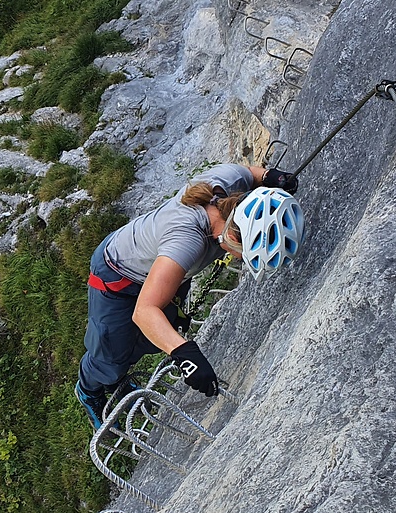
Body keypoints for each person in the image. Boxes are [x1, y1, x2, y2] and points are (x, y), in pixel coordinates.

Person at [75, 162, 303, 429]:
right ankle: (89, 389)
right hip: (116, 275)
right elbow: (145, 311)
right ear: (232, 235)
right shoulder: (187, 241)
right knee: (110, 354)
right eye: (248, 253)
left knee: (151, 337)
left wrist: (268, 176)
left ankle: (115, 377)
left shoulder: (232, 183)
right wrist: (184, 354)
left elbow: (250, 172)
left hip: (159, 265)